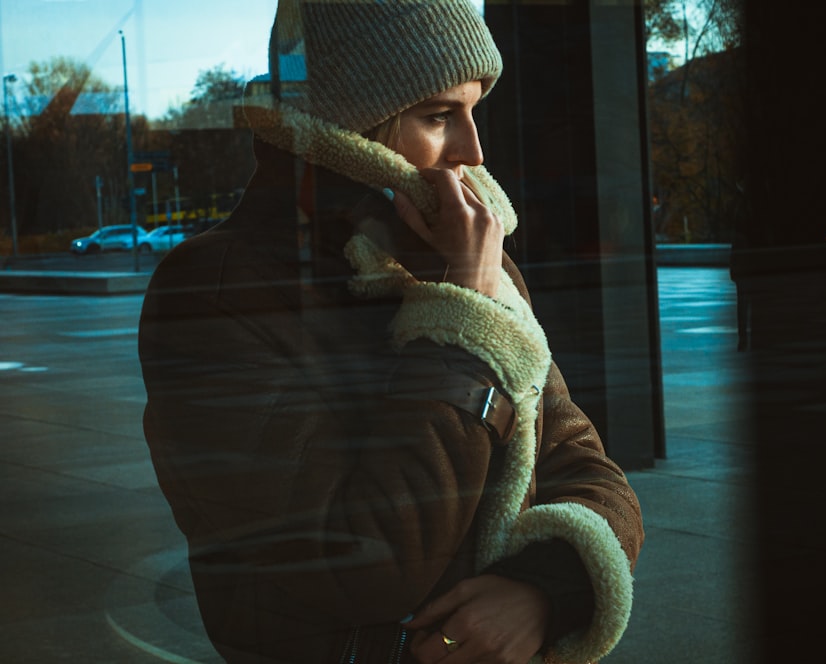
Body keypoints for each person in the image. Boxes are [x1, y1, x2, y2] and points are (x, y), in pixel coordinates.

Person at [139, 2, 643, 662]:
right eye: (438, 116)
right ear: (351, 126)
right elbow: (363, 565)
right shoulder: (216, 290)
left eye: (474, 110)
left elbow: (588, 469)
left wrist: (540, 593)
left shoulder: (473, 262)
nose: (473, 151)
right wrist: (462, 323)